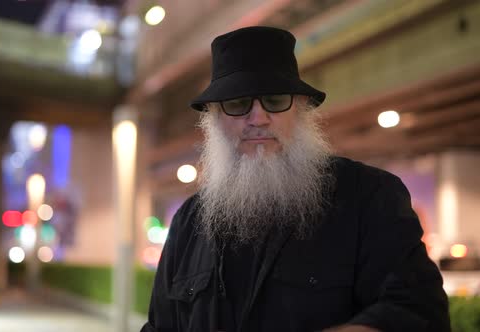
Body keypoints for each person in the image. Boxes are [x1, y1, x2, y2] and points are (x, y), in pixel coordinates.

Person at [141, 26, 449, 332]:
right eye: (237, 104)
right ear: (214, 119)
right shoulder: (188, 222)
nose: (258, 118)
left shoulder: (369, 197)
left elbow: (418, 311)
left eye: (275, 100)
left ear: (301, 109)